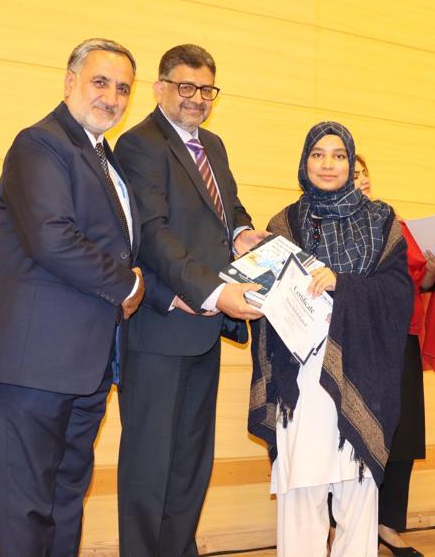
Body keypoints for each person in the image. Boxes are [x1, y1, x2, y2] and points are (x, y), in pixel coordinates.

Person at [0, 38, 145, 556]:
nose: (112, 97)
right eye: (100, 82)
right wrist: (129, 284)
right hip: (29, 366)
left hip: (84, 368)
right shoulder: (40, 143)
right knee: (25, 510)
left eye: (123, 88)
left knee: (64, 502)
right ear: (69, 83)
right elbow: (51, 236)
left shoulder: (103, 158)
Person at [113, 44, 266, 556]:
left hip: (204, 329)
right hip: (160, 330)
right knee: (149, 464)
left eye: (205, 89)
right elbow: (152, 234)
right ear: (160, 89)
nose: (196, 98)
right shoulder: (140, 144)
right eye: (185, 87)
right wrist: (215, 291)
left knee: (190, 462)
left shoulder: (213, 146)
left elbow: (228, 209)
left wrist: (242, 232)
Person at [248, 122, 413, 557]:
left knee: (357, 492)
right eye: (318, 154)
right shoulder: (284, 223)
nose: (328, 164)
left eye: (339, 155)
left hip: (362, 374)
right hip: (300, 378)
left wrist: (343, 284)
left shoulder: (381, 220)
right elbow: (268, 300)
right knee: (302, 491)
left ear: (351, 162)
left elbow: (399, 295)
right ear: (305, 162)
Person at [353, 154, 435, 557]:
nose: (362, 180)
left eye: (365, 174)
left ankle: (388, 524)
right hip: (357, 339)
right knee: (357, 431)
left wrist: (433, 266)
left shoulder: (397, 226)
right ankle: (350, 524)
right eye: (353, 175)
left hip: (400, 339)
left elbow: (422, 286)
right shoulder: (330, 226)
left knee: (402, 434)